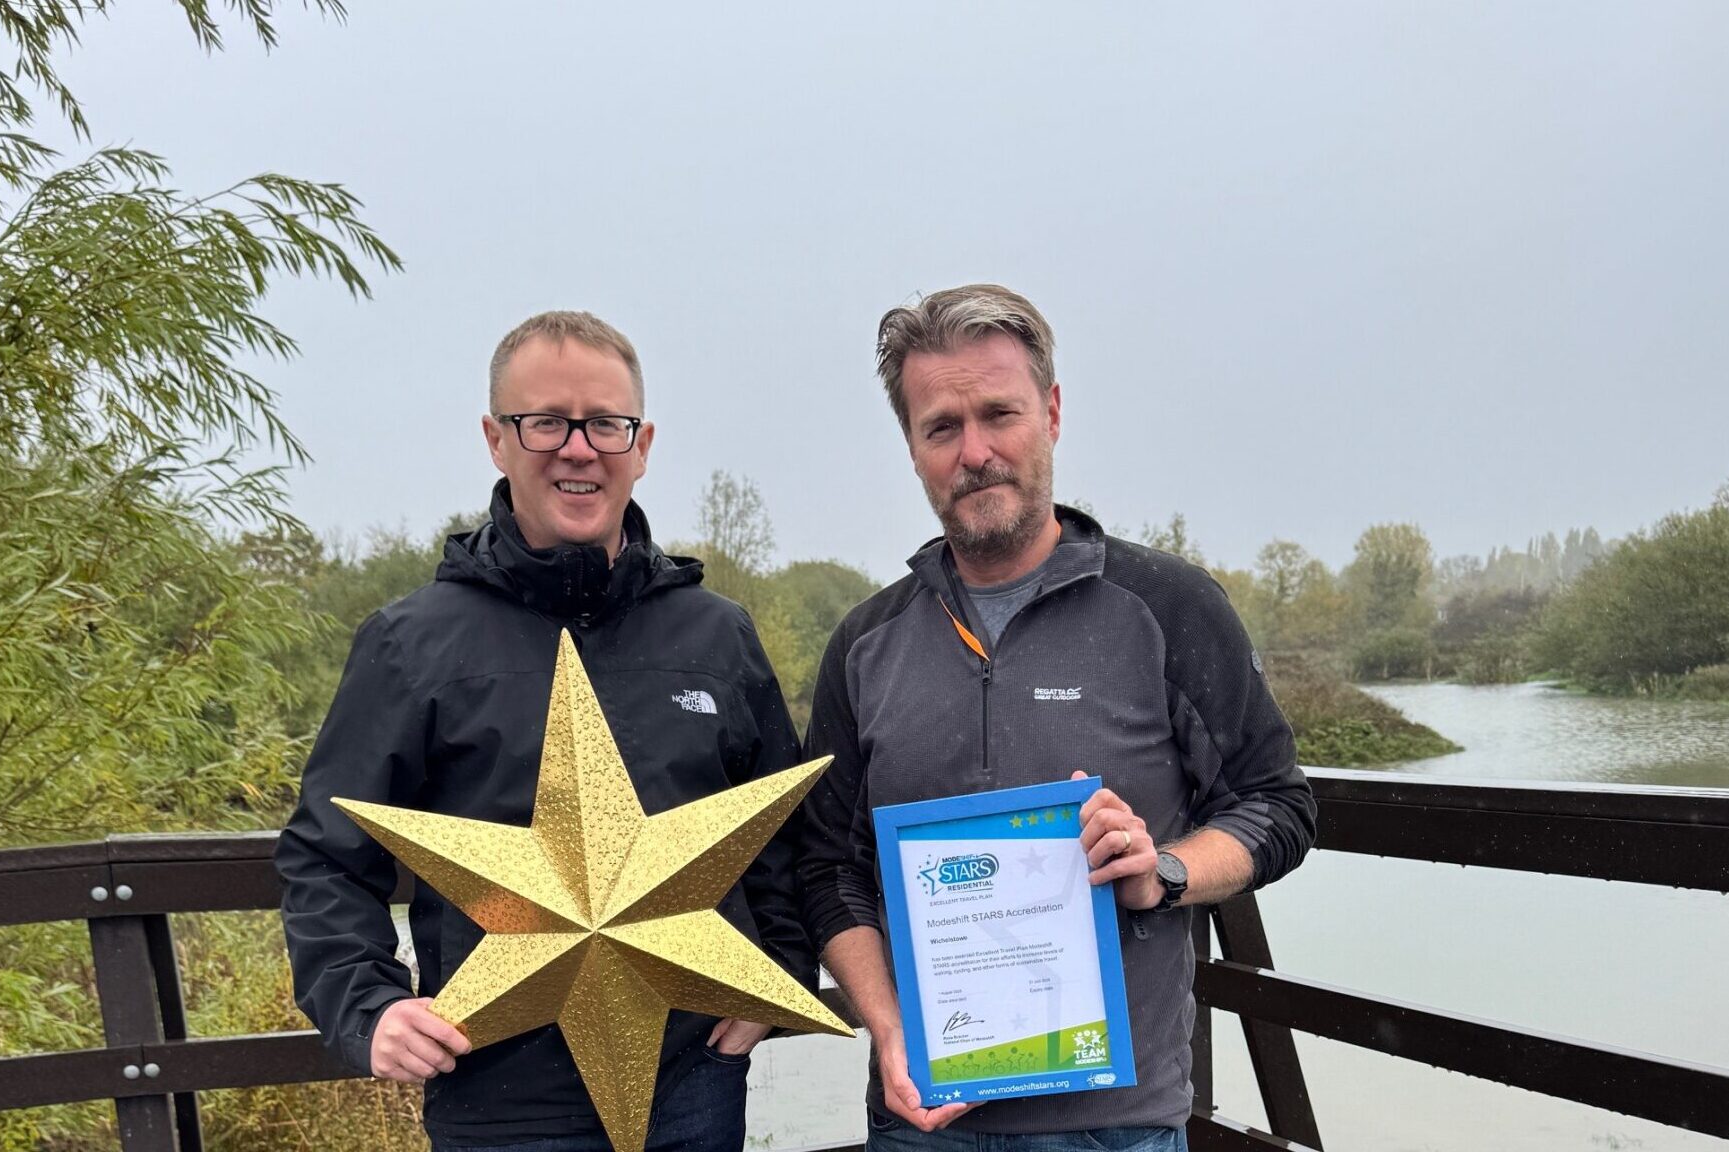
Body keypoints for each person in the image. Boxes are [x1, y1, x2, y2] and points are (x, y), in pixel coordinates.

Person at [798, 284, 1316, 1151]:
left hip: (1116, 1127)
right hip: (923, 1121)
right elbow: (828, 870)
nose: (976, 452)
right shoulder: (865, 642)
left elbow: (1279, 807)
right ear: (913, 448)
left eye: (1000, 414)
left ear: (1053, 411)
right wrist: (887, 1029)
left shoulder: (1168, 607)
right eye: (941, 427)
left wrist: (1167, 870)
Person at [276, 310, 808, 1152]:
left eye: (605, 423)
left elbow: (782, 836)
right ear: (496, 439)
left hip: (694, 1079)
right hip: (498, 1091)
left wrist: (774, 971)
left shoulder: (718, 637)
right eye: (546, 422)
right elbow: (325, 857)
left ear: (643, 443)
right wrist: (367, 1006)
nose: (578, 448)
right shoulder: (411, 643)